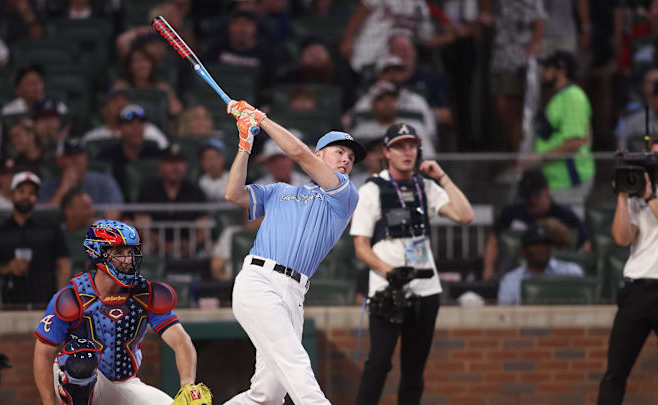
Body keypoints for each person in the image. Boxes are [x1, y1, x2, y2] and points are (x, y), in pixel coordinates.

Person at [222, 98, 367, 404]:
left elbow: (297, 153)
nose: (346, 160)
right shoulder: (280, 191)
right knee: (296, 366)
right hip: (259, 281)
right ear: (321, 154)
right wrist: (245, 145)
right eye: (339, 152)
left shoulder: (344, 195)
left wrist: (261, 119)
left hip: (294, 294)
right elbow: (233, 193)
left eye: (351, 157)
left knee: (268, 395)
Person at [350, 123, 473, 405]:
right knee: (379, 362)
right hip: (387, 289)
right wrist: (388, 272)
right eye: (399, 146)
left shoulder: (425, 187)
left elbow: (465, 216)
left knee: (414, 370)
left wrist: (441, 176)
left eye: (412, 146)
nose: (407, 152)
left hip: (426, 290)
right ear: (386, 152)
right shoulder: (372, 189)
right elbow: (360, 246)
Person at [33, 219, 210, 405]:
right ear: (97, 253)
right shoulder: (73, 295)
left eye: (130, 252)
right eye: (118, 252)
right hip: (77, 380)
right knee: (80, 359)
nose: (127, 260)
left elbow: (181, 341)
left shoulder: (144, 293)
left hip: (125, 383)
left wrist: (188, 385)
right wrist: (49, 401)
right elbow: (43, 353)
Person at [596, 138, 658, 404]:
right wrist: (623, 196)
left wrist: (650, 197)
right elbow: (622, 238)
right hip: (638, 290)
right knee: (615, 372)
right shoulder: (637, 192)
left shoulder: (646, 195)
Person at [483, 169, 590, 280]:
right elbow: (493, 241)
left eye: (536, 194)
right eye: (527, 195)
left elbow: (585, 244)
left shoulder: (565, 215)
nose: (532, 200)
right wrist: (488, 272)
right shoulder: (510, 212)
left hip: (557, 273)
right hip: (516, 272)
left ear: (547, 190)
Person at [0, 171, 71, 306]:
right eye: (21, 191)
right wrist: (7, 269)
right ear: (12, 194)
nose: (26, 196)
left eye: (31, 193)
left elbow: (64, 265)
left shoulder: (51, 228)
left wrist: (60, 300)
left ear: (37, 197)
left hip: (45, 304)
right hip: (10, 305)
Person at [526, 51, 594, 204]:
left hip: (570, 178)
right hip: (555, 179)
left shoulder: (573, 97)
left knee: (569, 226)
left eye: (547, 68)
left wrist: (539, 158)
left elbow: (576, 142)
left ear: (561, 71)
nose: (543, 72)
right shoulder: (558, 96)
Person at [483, 0, 546, 151]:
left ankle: (519, 154)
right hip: (499, 56)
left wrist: (535, 45)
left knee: (514, 107)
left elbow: (540, 19)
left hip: (519, 58)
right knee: (501, 105)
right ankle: (515, 149)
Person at [135, 143, 209, 257]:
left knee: (208, 248)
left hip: (189, 245)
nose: (175, 167)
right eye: (170, 162)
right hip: (156, 245)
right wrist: (164, 245)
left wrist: (191, 246)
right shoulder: (149, 190)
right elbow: (142, 226)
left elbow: (203, 226)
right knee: (144, 247)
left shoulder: (195, 191)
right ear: (161, 166)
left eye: (179, 162)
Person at [497, 223, 583, 305]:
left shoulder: (571, 272)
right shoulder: (510, 281)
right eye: (536, 244)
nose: (542, 249)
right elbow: (504, 316)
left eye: (546, 244)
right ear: (524, 250)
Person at [39, 138, 124, 218]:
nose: (75, 159)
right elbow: (43, 218)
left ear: (86, 158)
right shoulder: (46, 186)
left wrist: (81, 222)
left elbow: (114, 213)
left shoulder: (105, 182)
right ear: (60, 160)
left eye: (79, 154)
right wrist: (63, 189)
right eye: (70, 155)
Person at [352, 81, 437, 158]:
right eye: (381, 99)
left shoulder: (414, 127)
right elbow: (355, 161)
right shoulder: (361, 132)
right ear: (372, 106)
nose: (387, 103)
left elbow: (428, 156)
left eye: (391, 99)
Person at [97, 105, 162, 199]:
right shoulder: (107, 157)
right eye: (130, 124)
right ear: (119, 128)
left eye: (140, 124)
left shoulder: (155, 154)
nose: (136, 129)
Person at [80, 88, 168, 149]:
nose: (121, 104)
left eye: (124, 99)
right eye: (115, 100)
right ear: (103, 110)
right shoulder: (92, 138)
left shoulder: (150, 130)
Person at [114, 47, 182, 116]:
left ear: (152, 64)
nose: (141, 65)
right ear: (129, 66)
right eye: (136, 61)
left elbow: (176, 111)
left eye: (145, 60)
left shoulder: (162, 88)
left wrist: (169, 93)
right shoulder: (122, 88)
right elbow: (114, 113)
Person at [0, 65, 67, 121]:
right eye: (30, 83)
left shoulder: (57, 107)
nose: (36, 86)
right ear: (18, 90)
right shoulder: (8, 112)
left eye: (39, 81)